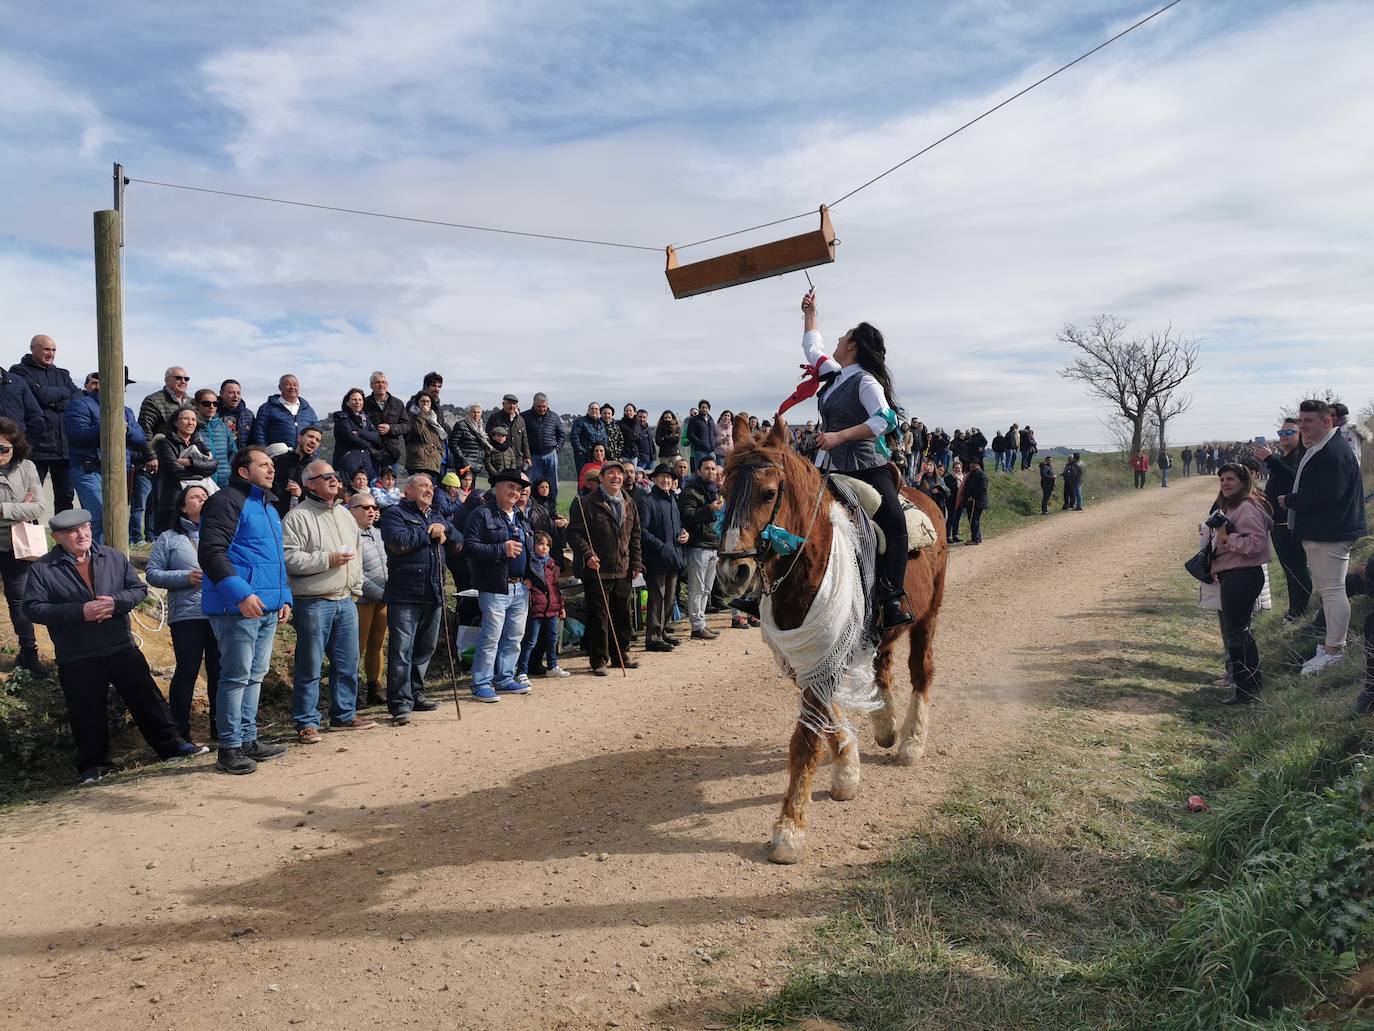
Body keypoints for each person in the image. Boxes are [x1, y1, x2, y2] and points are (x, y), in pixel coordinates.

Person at [26, 508, 204, 784]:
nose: (82, 534)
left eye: (85, 527)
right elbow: (34, 608)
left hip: (120, 644)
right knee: (86, 710)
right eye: (73, 531)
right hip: (77, 653)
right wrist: (79, 612)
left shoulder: (112, 556)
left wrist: (116, 602)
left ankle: (173, 746)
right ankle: (93, 766)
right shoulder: (43, 568)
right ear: (57, 537)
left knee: (148, 699)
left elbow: (137, 589)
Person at [799, 290, 911, 627]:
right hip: (826, 467)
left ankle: (891, 598)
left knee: (895, 525)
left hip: (866, 467)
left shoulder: (865, 381)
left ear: (854, 346)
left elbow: (885, 420)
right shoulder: (835, 375)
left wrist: (839, 436)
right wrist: (810, 312)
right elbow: (812, 348)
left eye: (844, 335)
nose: (838, 337)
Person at [199, 446, 293, 775]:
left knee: (255, 676)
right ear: (243, 471)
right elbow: (211, 552)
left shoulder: (267, 505)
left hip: (266, 607)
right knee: (236, 676)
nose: (271, 470)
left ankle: (248, 739)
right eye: (263, 465)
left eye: (272, 465)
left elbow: (274, 560)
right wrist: (240, 593)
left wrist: (284, 598)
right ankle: (229, 747)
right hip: (237, 606)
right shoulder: (227, 500)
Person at [283, 459, 375, 741]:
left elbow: (357, 553)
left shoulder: (346, 515)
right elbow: (288, 558)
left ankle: (344, 715)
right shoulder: (297, 517)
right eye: (326, 477)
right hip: (313, 602)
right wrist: (327, 560)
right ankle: (307, 722)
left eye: (335, 475)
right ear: (310, 484)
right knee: (309, 666)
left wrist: (356, 589)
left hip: (346, 600)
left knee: (347, 663)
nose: (334, 480)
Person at [1280, 399, 1367, 676]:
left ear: (1327, 421)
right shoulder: (1323, 447)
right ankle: (1331, 646)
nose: (1303, 426)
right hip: (1326, 530)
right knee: (1330, 591)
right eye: (1301, 420)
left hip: (1331, 531)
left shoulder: (1334, 452)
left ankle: (1334, 651)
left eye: (1309, 421)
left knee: (1332, 591)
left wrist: (1290, 500)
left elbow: (1328, 494)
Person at [146, 484, 219, 742]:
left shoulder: (223, 532)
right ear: (182, 507)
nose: (202, 499)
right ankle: (180, 733)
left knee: (219, 670)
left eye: (205, 496)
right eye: (195, 497)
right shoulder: (169, 538)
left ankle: (220, 729)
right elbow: (153, 574)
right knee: (187, 671)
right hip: (188, 614)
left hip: (221, 612)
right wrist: (186, 577)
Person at [380, 474, 453, 723]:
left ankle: (416, 693)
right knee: (401, 650)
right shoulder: (394, 514)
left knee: (425, 648)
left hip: (434, 592)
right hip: (405, 594)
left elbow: (458, 538)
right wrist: (428, 533)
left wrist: (445, 529)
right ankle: (400, 703)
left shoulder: (436, 514)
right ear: (408, 490)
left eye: (431, 487)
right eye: (423, 486)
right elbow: (397, 542)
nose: (429, 490)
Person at [463, 469, 535, 701]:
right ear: (498, 488)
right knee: (491, 636)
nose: (515, 492)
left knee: (514, 636)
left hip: (520, 587)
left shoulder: (520, 516)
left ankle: (504, 678)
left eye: (519, 489)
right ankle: (481, 683)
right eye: (510, 487)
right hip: (494, 586)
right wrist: (500, 550)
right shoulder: (481, 514)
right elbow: (469, 547)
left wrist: (530, 574)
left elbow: (531, 548)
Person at [1205, 463, 1273, 704]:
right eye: (1222, 479)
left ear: (1244, 482)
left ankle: (1246, 688)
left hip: (1242, 576)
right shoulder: (1233, 506)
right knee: (1238, 632)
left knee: (1237, 633)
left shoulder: (1247, 508)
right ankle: (1249, 686)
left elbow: (1257, 545)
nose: (1225, 483)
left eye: (1230, 479)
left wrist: (1227, 538)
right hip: (1234, 575)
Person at [567, 458, 642, 675]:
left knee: (622, 615)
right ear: (601, 478)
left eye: (619, 474)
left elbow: (635, 535)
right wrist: (588, 554)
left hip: (624, 568)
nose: (616, 477)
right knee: (599, 617)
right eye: (611, 474)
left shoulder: (629, 502)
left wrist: (636, 562)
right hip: (598, 569)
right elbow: (574, 533)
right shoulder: (586, 503)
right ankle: (599, 659)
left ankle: (622, 654)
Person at [64, 369, 147, 546]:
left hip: (118, 471)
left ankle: (113, 559)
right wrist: (110, 425)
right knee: (100, 515)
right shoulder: (81, 404)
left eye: (123, 385)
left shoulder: (127, 411)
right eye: (117, 383)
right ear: (101, 384)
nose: (121, 387)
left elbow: (140, 438)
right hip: (89, 469)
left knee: (117, 517)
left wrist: (126, 429)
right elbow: (76, 434)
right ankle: (96, 559)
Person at [0, 418, 46, 675]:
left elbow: (39, 506)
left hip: (17, 545)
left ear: (15, 447)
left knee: (19, 600)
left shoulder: (26, 467)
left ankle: (28, 653)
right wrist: (20, 507)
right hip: (12, 535)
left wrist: (3, 509)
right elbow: (29, 507)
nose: (0, 455)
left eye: (4, 449)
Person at [11, 335, 77, 513]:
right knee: (29, 496)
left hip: (63, 449)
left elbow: (76, 398)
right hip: (35, 448)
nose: (51, 354)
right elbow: (40, 396)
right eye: (47, 349)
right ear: (33, 349)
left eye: (54, 350)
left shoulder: (62, 374)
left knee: (65, 497)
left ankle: (64, 538)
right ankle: (29, 538)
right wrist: (63, 394)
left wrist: (52, 397)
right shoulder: (19, 372)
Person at [1254, 419, 1311, 624]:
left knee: (1296, 569)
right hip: (1278, 523)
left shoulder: (1300, 456)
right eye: (1281, 432)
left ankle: (1299, 611)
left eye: (1289, 431)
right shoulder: (1285, 458)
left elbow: (1294, 479)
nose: (1284, 435)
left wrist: (1270, 459)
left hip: (1290, 523)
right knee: (1289, 570)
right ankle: (1295, 609)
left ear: (1300, 435)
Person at [637, 463, 687, 652]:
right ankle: (653, 637)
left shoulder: (673, 500)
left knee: (670, 596)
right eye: (662, 477)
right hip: (657, 558)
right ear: (654, 479)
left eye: (669, 478)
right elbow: (643, 530)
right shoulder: (647, 501)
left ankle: (663, 631)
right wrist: (661, 547)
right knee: (657, 597)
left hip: (674, 556)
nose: (666, 480)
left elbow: (677, 525)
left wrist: (684, 534)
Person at [348, 491, 388, 706]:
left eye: (374, 507)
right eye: (365, 507)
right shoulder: (348, 534)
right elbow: (355, 571)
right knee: (357, 648)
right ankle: (351, 691)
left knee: (377, 645)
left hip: (382, 598)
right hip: (361, 599)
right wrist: (380, 591)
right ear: (351, 510)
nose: (371, 511)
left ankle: (374, 686)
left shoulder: (378, 533)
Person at [154, 405, 218, 532]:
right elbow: (175, 470)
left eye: (193, 420)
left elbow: (213, 465)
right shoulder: (165, 443)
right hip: (174, 500)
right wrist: (201, 472)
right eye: (186, 419)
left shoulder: (198, 443)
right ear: (176, 422)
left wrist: (191, 462)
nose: (190, 423)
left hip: (198, 501)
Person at [519, 531, 569, 679]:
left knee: (552, 639)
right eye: (540, 544)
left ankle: (552, 666)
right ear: (533, 546)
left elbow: (555, 588)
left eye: (547, 545)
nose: (544, 547)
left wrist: (561, 606)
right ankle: (522, 671)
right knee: (530, 641)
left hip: (552, 608)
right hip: (536, 608)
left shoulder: (551, 565)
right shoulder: (529, 564)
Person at [251, 374, 319, 449]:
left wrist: (313, 456)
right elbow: (259, 434)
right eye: (288, 384)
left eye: (295, 385)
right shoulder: (267, 408)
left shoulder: (308, 410)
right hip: (276, 458)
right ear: (280, 388)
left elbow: (317, 434)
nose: (292, 387)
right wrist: (265, 455)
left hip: (304, 458)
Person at [270, 425, 323, 518]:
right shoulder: (278, 460)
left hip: (301, 518)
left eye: (317, 440)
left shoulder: (316, 470)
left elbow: (319, 498)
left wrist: (301, 493)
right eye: (310, 436)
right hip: (273, 514)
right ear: (299, 438)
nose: (313, 441)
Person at [362, 371, 408, 475]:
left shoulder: (398, 403)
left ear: (387, 385)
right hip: (371, 453)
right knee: (371, 485)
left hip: (391, 453)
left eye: (383, 382)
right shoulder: (364, 404)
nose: (381, 385)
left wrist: (391, 428)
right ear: (371, 385)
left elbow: (406, 426)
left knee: (390, 487)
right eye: (377, 382)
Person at [523, 392, 565, 504]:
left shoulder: (555, 417)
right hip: (532, 456)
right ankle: (534, 508)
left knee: (552, 484)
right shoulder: (524, 417)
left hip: (551, 454)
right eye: (539, 407)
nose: (542, 409)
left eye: (544, 406)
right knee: (534, 484)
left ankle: (552, 509)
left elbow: (562, 435)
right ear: (533, 404)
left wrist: (557, 450)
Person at [332, 388, 382, 481]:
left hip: (365, 464)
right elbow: (349, 437)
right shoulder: (342, 417)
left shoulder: (365, 419)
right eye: (354, 399)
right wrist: (368, 443)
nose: (358, 402)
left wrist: (360, 433)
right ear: (347, 402)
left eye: (360, 399)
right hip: (347, 463)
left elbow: (377, 436)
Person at [197, 388, 236, 488]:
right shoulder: (192, 427)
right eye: (206, 403)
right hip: (202, 483)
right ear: (197, 405)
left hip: (225, 483)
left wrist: (229, 471)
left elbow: (233, 452)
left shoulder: (223, 426)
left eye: (215, 403)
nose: (211, 406)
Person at [404, 392, 445, 480]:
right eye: (422, 401)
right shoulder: (411, 416)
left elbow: (440, 438)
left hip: (433, 463)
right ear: (418, 403)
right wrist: (422, 414)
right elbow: (416, 430)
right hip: (417, 462)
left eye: (428, 401)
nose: (425, 403)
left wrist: (439, 455)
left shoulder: (434, 418)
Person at [488, 393, 532, 472]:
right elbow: (489, 438)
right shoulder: (495, 418)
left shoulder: (520, 420)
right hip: (500, 462)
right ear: (503, 404)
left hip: (518, 461)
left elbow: (524, 440)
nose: (511, 406)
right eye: (509, 403)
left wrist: (527, 456)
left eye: (514, 404)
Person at [449, 403, 492, 476]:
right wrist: (463, 459)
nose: (476, 415)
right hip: (464, 464)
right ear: (468, 413)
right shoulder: (461, 425)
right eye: (474, 412)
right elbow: (453, 444)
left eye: (478, 412)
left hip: (477, 464)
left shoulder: (481, 428)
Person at [955, 455, 989, 545]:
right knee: (972, 520)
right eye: (971, 463)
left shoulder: (981, 475)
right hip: (971, 501)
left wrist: (973, 496)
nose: (971, 465)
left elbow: (983, 489)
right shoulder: (971, 474)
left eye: (973, 464)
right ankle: (977, 537)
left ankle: (975, 539)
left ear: (978, 465)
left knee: (974, 520)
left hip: (977, 501)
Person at [569, 402, 606, 473]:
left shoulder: (601, 424)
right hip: (584, 457)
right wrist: (580, 451)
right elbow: (574, 437)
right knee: (584, 478)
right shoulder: (580, 422)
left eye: (596, 409)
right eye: (592, 408)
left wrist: (604, 453)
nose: (594, 410)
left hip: (598, 456)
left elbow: (604, 440)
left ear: (599, 411)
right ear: (588, 410)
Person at [217, 379, 254, 446]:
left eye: (238, 393)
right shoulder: (213, 412)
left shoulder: (249, 414)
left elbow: (253, 438)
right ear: (221, 393)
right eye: (231, 392)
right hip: (220, 454)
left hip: (242, 454)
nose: (235, 396)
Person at [686, 400, 718, 472]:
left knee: (712, 471)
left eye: (706, 407)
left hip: (711, 451)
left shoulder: (711, 420)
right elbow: (690, 434)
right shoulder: (694, 420)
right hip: (700, 451)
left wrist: (714, 444)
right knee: (700, 471)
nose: (704, 409)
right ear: (699, 408)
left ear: (709, 409)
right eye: (702, 407)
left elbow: (713, 433)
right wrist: (700, 443)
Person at [944, 460, 964, 542]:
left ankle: (955, 535)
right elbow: (952, 488)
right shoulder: (948, 478)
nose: (957, 470)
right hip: (952, 501)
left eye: (959, 468)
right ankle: (947, 536)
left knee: (957, 518)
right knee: (951, 518)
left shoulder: (963, 477)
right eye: (956, 468)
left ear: (961, 469)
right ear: (953, 469)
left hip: (960, 501)